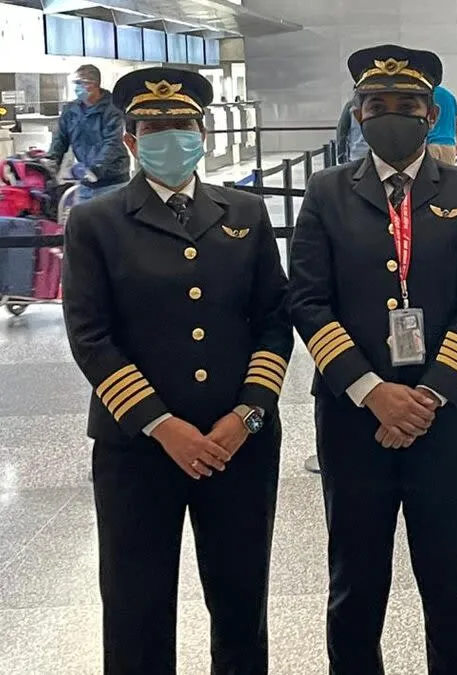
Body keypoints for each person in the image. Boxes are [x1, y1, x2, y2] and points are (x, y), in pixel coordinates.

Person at [61, 67, 292, 674]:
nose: (170, 136)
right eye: (153, 127)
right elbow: (90, 336)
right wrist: (163, 426)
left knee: (241, 604)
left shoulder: (245, 211)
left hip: (237, 443)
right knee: (136, 608)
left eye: (182, 125)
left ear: (203, 134)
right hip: (137, 447)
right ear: (132, 141)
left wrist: (246, 416)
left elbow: (273, 320)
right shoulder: (95, 222)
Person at [288, 44, 457, 675]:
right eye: (375, 105)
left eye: (406, 105)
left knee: (450, 576)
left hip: (446, 415)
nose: (390, 115)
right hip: (353, 417)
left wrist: (427, 394)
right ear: (357, 113)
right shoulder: (327, 192)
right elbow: (308, 299)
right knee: (355, 579)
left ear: (429, 112)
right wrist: (370, 390)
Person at [48, 64, 129, 199]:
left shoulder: (112, 109)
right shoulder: (71, 111)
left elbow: (112, 142)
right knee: (85, 219)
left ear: (94, 84)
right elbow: (60, 140)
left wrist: (95, 169)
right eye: (76, 83)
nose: (77, 88)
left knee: (112, 219)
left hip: (113, 182)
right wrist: (51, 162)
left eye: (81, 83)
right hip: (86, 185)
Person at [427, 84, 457, 163]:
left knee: (431, 174)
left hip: (430, 144)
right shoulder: (450, 96)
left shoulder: (427, 94)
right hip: (449, 145)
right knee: (448, 174)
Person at [336, 93, 370, 164]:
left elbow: (341, 132)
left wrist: (340, 154)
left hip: (356, 154)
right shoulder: (379, 105)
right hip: (376, 155)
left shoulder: (351, 105)